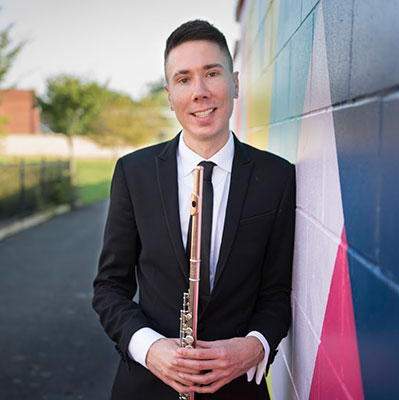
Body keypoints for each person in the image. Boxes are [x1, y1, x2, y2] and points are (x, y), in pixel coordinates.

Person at [92, 20, 295, 400]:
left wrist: (255, 346)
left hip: (237, 390)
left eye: (212, 73)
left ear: (235, 83)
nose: (200, 92)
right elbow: (110, 288)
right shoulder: (133, 173)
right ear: (170, 95)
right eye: (184, 79)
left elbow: (278, 293)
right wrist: (150, 349)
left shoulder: (278, 178)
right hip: (147, 386)